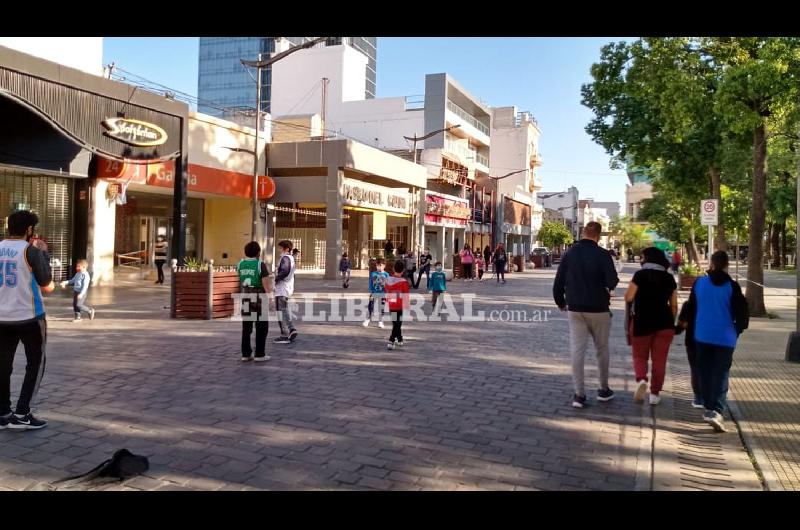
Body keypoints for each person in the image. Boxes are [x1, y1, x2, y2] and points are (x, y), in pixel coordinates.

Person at [553, 221, 619, 409]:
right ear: (598, 236)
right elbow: (612, 281)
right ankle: (603, 389)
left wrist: (560, 302)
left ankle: (579, 395)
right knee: (602, 349)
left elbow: (559, 281)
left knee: (577, 351)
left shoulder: (570, 253)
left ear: (583, 233)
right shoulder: (603, 254)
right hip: (599, 309)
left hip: (575, 309)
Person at [682, 250, 749, 432]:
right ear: (727, 264)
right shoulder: (732, 287)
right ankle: (716, 411)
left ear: (711, 264)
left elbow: (691, 308)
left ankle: (708, 406)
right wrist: (737, 330)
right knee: (720, 373)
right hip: (725, 337)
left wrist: (687, 328)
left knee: (704, 371)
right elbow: (742, 313)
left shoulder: (699, 284)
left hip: (702, 334)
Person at [0, 210, 55, 430]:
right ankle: (23, 413)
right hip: (29, 316)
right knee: (35, 363)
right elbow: (46, 283)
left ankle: (3, 413)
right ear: (29, 230)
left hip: (1, 317)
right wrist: (44, 255)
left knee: (3, 365)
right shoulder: (30, 251)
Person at [624, 247, 678, 406]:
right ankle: (655, 394)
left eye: (643, 257)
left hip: (642, 321)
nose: (641, 259)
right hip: (665, 323)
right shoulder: (669, 278)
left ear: (647, 258)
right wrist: (671, 320)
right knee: (660, 360)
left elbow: (629, 297)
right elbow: (674, 305)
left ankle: (641, 379)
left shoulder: (640, 275)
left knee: (639, 355)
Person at [237, 241, 271, 362]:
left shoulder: (240, 264)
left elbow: (240, 279)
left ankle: (246, 354)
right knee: (262, 327)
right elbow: (266, 284)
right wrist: (269, 298)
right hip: (259, 297)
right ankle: (259, 354)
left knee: (247, 327)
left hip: (246, 295)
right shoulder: (260, 264)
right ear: (258, 252)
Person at [273, 240, 298, 344]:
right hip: (286, 288)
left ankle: (285, 334)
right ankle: (291, 329)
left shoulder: (285, 258)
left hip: (282, 288)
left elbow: (285, 271)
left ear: (286, 249)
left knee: (281, 311)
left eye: (280, 248)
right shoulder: (290, 258)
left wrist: (276, 278)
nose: (279, 250)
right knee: (283, 310)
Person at [384, 260, 410, 350]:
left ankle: (399, 338)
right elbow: (406, 294)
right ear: (403, 271)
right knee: (398, 323)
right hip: (399, 305)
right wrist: (406, 305)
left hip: (392, 304)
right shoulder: (404, 282)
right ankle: (391, 340)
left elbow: (386, 290)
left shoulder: (388, 280)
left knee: (395, 322)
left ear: (393, 269)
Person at [363, 257, 389, 329]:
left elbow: (388, 284)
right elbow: (370, 283)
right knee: (370, 306)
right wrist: (371, 292)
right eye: (377, 265)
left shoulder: (386, 274)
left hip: (382, 293)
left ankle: (380, 321)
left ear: (384, 266)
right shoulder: (373, 273)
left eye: (380, 265)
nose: (378, 267)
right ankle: (368, 319)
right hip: (374, 293)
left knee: (381, 307)